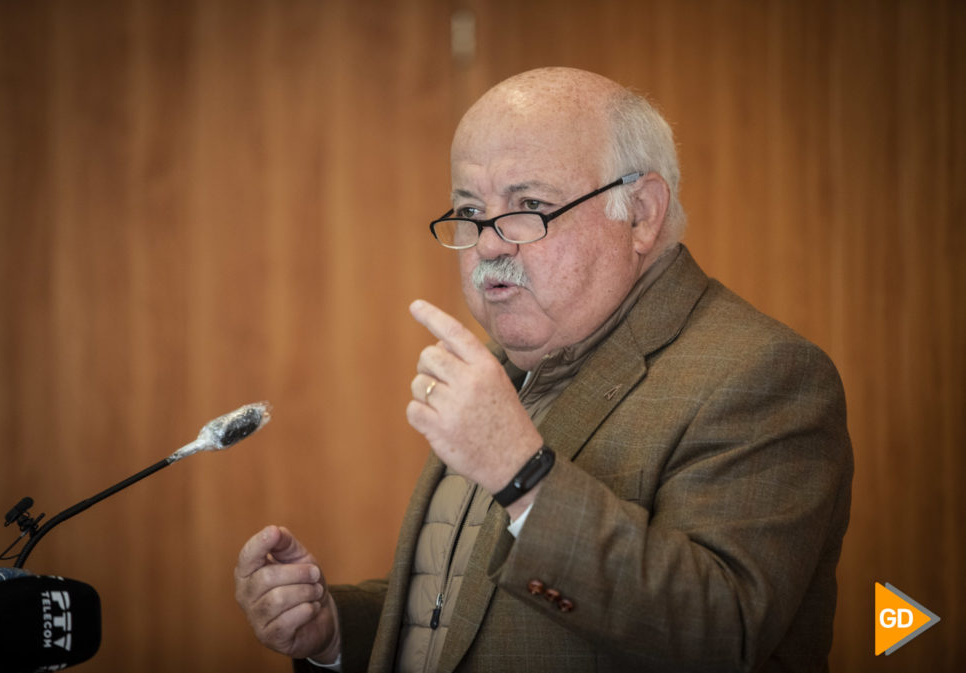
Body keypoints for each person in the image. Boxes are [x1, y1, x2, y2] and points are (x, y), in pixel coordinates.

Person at [234, 67, 853, 673]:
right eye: (470, 209)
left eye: (529, 204)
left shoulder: (762, 373)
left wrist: (522, 473)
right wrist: (335, 633)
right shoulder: (506, 369)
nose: (488, 243)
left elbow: (723, 633)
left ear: (639, 213)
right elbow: (474, 615)